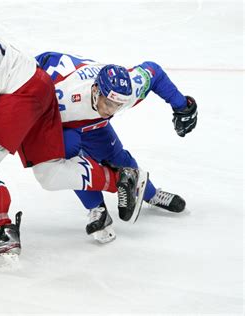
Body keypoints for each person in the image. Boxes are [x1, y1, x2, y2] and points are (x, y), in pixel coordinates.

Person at [0, 12, 147, 268]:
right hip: (34, 87)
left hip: (20, 93)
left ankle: (3, 235)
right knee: (50, 174)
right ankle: (121, 179)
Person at [35, 52, 198, 244]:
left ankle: (151, 194)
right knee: (67, 156)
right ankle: (97, 209)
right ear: (96, 90)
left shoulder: (129, 89)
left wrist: (182, 106)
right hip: (59, 112)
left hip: (89, 119)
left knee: (118, 159)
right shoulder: (64, 99)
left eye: (118, 105)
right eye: (109, 103)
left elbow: (154, 71)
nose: (111, 111)